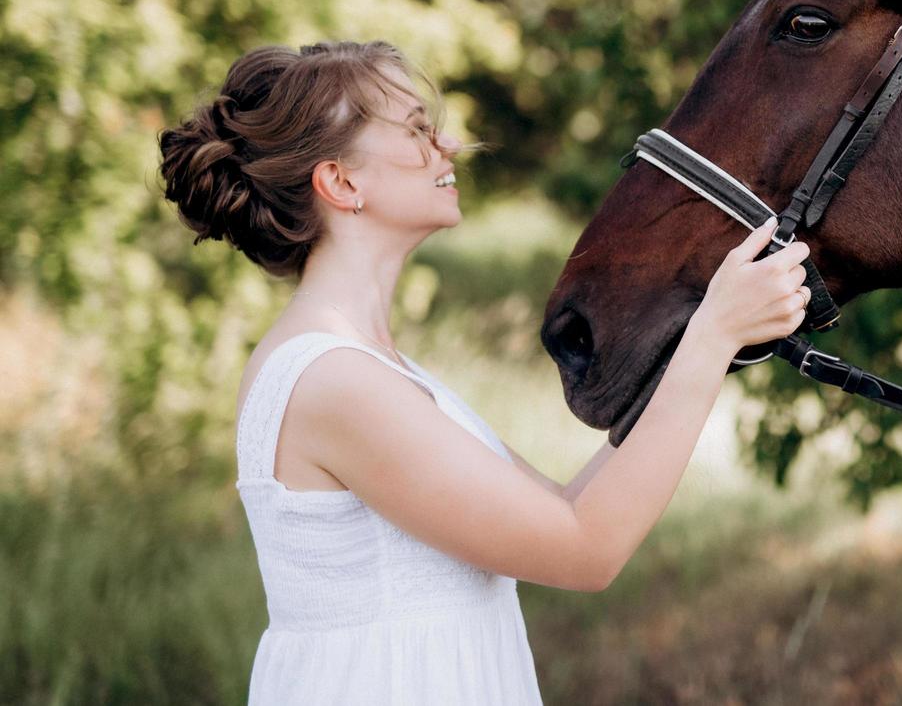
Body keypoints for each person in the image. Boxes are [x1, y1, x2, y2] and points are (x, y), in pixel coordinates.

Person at [157, 40, 811, 705]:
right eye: (414, 129)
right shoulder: (332, 380)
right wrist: (714, 336)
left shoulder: (375, 366)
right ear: (342, 182)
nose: (448, 144)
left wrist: (701, 337)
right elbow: (587, 549)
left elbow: (567, 508)